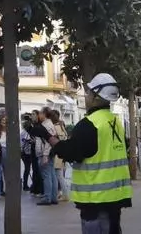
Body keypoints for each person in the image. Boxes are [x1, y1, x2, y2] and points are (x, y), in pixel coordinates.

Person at [44, 73, 132, 234]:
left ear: (97, 96)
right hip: (116, 195)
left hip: (96, 198)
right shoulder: (115, 122)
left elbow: (72, 152)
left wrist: (51, 140)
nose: (86, 95)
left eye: (89, 92)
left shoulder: (89, 124)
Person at [37, 109, 59, 205]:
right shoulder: (49, 124)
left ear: (44, 114)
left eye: (40, 113)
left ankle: (47, 197)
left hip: (46, 153)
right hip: (50, 152)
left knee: (47, 175)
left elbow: (48, 141)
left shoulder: (46, 125)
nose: (39, 115)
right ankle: (53, 196)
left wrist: (45, 154)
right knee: (52, 174)